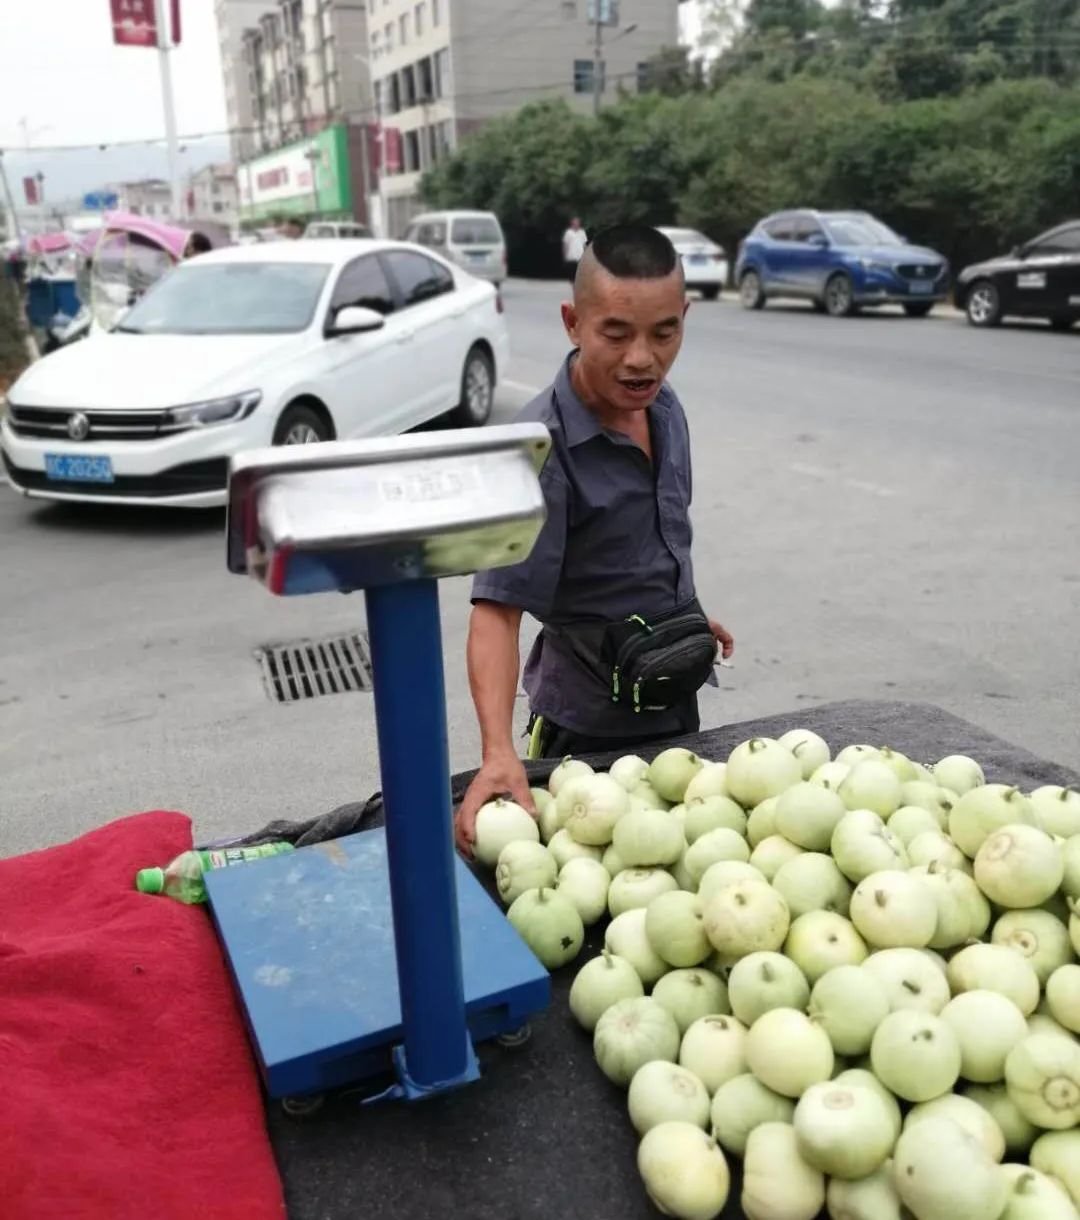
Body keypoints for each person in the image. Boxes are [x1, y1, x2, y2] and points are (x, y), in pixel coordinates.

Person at [454, 223, 734, 857]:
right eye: (616, 333)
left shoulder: (664, 408)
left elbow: (648, 542)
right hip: (584, 739)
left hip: (674, 701)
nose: (643, 358)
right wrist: (497, 754)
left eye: (665, 333)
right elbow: (496, 612)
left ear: (684, 318)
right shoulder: (539, 451)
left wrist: (678, 618)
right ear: (572, 323)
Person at [562, 217, 588, 281]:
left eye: (578, 223)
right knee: (571, 273)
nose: (576, 224)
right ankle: (572, 284)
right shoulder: (568, 232)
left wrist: (586, 254)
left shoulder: (582, 232)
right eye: (575, 223)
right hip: (571, 256)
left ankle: (578, 284)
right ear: (572, 224)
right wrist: (565, 255)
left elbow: (584, 244)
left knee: (579, 273)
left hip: (580, 256)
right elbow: (566, 244)